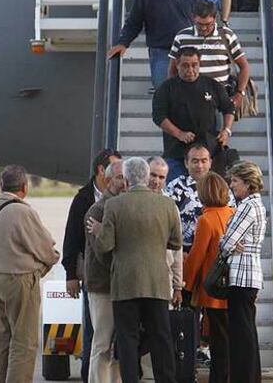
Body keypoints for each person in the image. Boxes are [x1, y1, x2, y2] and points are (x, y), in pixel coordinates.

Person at [87, 157, 182, 383]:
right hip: (157, 282)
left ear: (127, 180)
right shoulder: (167, 205)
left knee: (127, 340)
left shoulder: (114, 205)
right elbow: (176, 243)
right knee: (161, 338)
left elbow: (105, 246)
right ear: (147, 176)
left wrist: (100, 231)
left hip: (125, 283)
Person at [0, 165, 59, 383]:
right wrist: (51, 258)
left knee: (4, 341)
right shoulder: (22, 211)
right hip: (18, 280)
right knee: (24, 344)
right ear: (24, 187)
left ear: (1, 185)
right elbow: (46, 248)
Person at [62, 148, 122, 383]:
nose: (122, 174)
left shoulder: (120, 199)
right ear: (102, 171)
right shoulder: (84, 198)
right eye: (117, 169)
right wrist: (70, 274)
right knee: (93, 333)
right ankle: (89, 375)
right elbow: (71, 238)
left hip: (115, 277)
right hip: (93, 276)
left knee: (109, 336)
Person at [107, 0, 198, 90]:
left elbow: (200, 16)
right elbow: (134, 22)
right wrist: (123, 43)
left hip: (187, 51)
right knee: (164, 94)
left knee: (192, 94)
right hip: (160, 51)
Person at [152, 46, 235, 182]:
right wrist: (178, 133)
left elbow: (228, 108)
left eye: (194, 65)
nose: (190, 70)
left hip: (208, 153)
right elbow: (159, 116)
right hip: (177, 152)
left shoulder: (212, 85)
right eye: (185, 65)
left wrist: (226, 130)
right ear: (177, 65)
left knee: (211, 194)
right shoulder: (166, 88)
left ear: (199, 64)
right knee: (177, 194)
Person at [184, 171, 235, 383]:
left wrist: (185, 285)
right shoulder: (232, 213)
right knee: (230, 340)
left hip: (214, 291)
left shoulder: (206, 220)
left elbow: (197, 256)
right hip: (234, 285)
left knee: (218, 341)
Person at [220, 160, 267, 383]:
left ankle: (243, 377)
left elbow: (228, 241)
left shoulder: (247, 206)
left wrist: (226, 242)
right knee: (247, 331)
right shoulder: (258, 205)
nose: (232, 185)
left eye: (236, 181)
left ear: (248, 183)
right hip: (251, 275)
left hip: (241, 276)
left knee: (241, 334)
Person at [84, 160, 125, 383]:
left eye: (126, 177)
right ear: (108, 180)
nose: (124, 182)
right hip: (103, 287)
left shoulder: (122, 207)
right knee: (102, 344)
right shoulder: (98, 210)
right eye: (119, 178)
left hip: (121, 286)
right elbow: (103, 254)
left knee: (118, 347)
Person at [168, 0, 250, 111]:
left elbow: (244, 66)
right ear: (193, 18)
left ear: (215, 18)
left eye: (208, 24)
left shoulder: (227, 36)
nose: (203, 28)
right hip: (189, 97)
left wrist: (240, 93)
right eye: (199, 24)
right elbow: (172, 70)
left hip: (219, 97)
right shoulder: (182, 37)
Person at [147, 156, 183, 305]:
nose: (156, 181)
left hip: (163, 280)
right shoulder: (128, 201)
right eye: (153, 175)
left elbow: (177, 249)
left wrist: (177, 286)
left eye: (161, 177)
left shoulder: (170, 206)